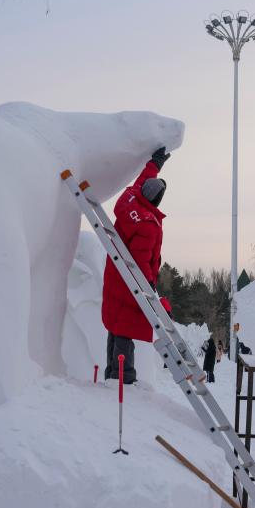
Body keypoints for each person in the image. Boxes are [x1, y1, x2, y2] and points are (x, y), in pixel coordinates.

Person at [101, 146, 171, 384]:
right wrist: (150, 281)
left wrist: (155, 165)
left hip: (115, 271)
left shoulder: (129, 200)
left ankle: (112, 374)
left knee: (115, 324)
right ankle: (124, 377)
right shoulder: (148, 225)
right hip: (131, 280)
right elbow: (143, 259)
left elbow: (141, 183)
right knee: (125, 329)